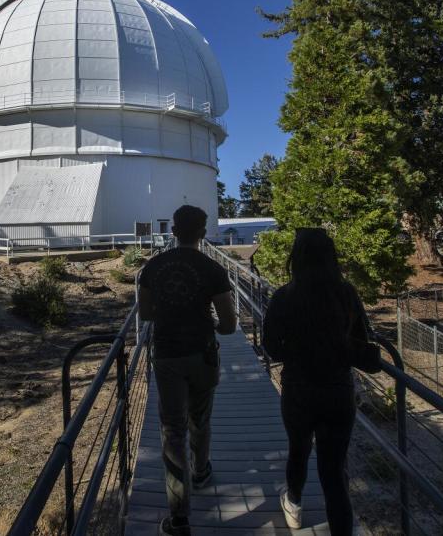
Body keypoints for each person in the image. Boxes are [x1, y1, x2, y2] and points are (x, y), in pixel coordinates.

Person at [261, 227, 373, 536]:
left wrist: (296, 351)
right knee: (334, 472)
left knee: (298, 450)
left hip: (298, 389)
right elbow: (362, 340)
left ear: (296, 258)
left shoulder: (285, 296)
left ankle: (294, 504)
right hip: (338, 391)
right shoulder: (346, 293)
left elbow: (270, 345)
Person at [138, 205, 237, 536]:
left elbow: (147, 313)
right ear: (203, 233)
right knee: (200, 418)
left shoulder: (152, 268)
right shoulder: (213, 269)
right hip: (202, 353)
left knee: (172, 430)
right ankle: (201, 470)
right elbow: (228, 324)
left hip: (166, 355)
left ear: (173, 230)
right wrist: (208, 321)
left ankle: (179, 515)